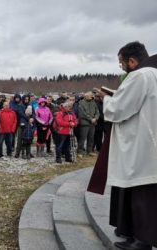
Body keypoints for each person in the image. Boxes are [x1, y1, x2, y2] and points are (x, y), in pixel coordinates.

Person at [96, 41, 157, 250]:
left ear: (132, 61)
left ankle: (143, 240)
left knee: (141, 193)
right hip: (146, 139)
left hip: (140, 142)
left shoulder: (140, 75)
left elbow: (120, 109)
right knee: (140, 191)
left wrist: (106, 99)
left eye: (122, 63)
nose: (121, 68)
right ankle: (134, 234)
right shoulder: (153, 74)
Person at [77, 91, 99, 156]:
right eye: (90, 96)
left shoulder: (93, 102)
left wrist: (95, 118)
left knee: (91, 138)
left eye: (91, 95)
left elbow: (97, 111)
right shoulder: (81, 103)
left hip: (93, 123)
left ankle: (89, 151)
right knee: (82, 138)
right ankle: (80, 151)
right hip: (84, 124)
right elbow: (82, 114)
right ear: (85, 96)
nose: (91, 96)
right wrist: (90, 119)